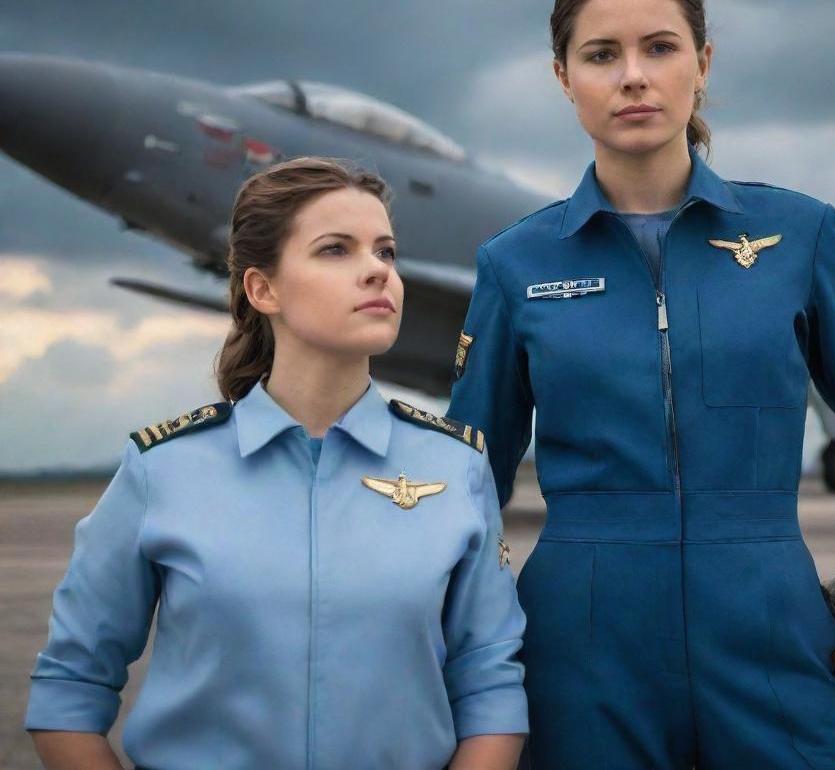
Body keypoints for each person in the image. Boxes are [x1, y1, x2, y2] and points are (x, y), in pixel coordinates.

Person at [447, 0, 835, 769]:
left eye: (660, 47)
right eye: (601, 55)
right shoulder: (516, 265)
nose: (634, 77)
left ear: (702, 63)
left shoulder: (801, 237)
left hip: (773, 642)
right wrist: (466, 647)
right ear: (563, 77)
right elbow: (467, 480)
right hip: (579, 661)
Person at [26, 157, 528, 770]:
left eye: (386, 252)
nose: (378, 271)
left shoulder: (457, 467)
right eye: (336, 250)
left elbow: (491, 690)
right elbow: (69, 687)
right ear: (263, 289)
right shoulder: (162, 468)